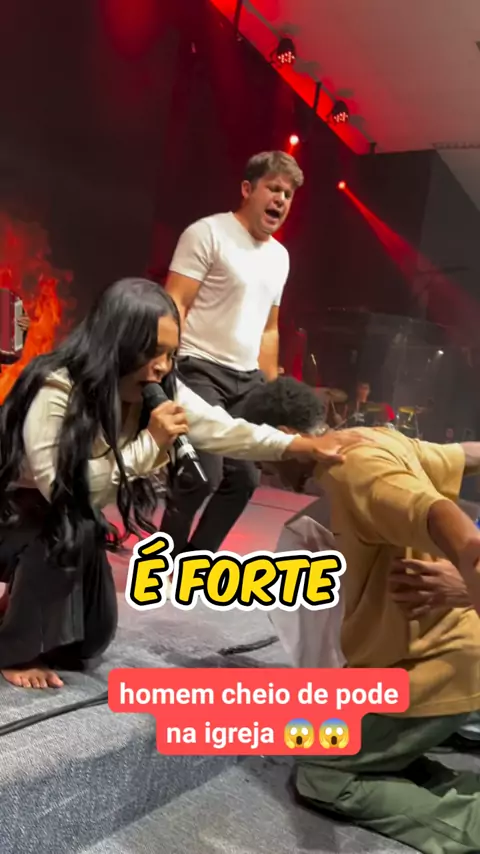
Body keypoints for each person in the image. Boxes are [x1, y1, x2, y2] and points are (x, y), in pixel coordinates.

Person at [0, 279, 367, 691]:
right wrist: (150, 443)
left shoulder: (156, 390)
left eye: (170, 354)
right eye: (151, 351)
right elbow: (62, 490)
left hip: (62, 516)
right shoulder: (57, 387)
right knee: (69, 525)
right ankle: (15, 651)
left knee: (85, 645)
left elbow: (223, 429)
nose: (162, 366)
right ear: (116, 344)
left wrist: (300, 445)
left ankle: (15, 604)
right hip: (13, 511)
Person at [241, 376, 480, 854]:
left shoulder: (356, 471)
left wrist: (468, 565)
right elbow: (465, 455)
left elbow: (440, 517)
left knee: (323, 772)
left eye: (264, 458)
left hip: (434, 667)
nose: (267, 474)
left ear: (285, 436)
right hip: (434, 654)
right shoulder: (375, 439)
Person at [162, 150, 304, 556]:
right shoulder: (207, 233)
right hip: (198, 368)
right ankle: (164, 556)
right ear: (247, 189)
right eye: (273, 189)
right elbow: (175, 302)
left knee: (243, 481)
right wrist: (163, 361)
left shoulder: (280, 257)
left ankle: (193, 561)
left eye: (288, 194)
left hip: (247, 380)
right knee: (201, 475)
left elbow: (270, 330)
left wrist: (275, 400)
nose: (280, 200)